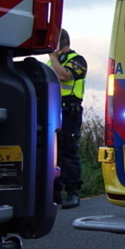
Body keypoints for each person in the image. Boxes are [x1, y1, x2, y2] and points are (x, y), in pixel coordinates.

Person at [48, 29, 87, 209]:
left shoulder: (78, 61)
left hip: (70, 111)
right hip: (52, 109)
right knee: (51, 153)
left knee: (69, 150)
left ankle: (73, 192)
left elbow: (64, 76)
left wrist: (54, 57)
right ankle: (54, 192)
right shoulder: (51, 62)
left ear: (63, 42)